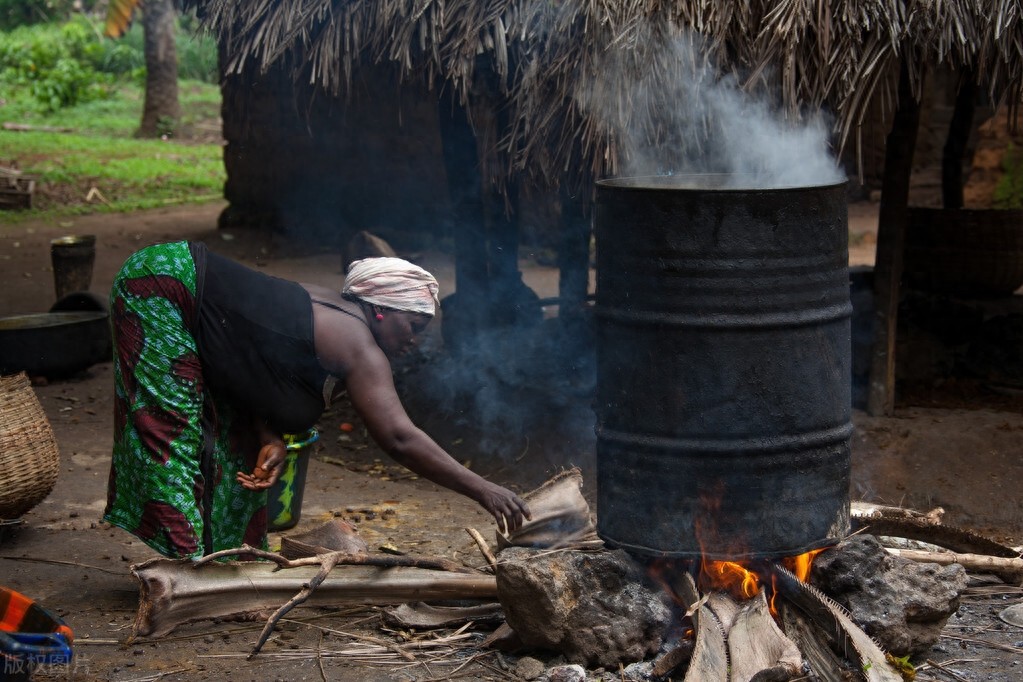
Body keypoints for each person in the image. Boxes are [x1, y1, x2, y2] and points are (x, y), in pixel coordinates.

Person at [103, 241, 530, 559]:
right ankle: (188, 569)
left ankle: (232, 559)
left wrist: (269, 433)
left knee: (237, 442)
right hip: (164, 285)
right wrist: (483, 489)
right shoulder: (359, 345)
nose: (416, 341)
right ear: (380, 310)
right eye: (413, 326)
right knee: (170, 429)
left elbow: (248, 359)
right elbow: (399, 437)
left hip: (180, 286)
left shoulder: (336, 319)